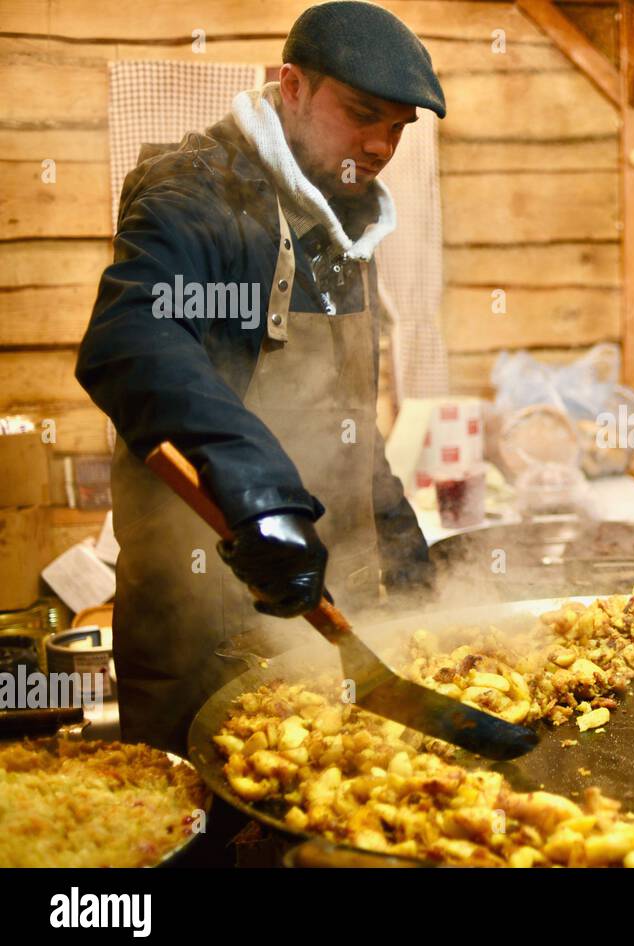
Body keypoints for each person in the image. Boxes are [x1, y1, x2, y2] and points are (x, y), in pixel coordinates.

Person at [75, 1, 444, 752]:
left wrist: (418, 585)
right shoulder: (194, 192)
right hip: (205, 636)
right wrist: (264, 497)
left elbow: (348, 430)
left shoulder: (343, 221)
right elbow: (132, 337)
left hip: (333, 631)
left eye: (398, 128)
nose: (378, 145)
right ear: (292, 87)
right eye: (361, 114)